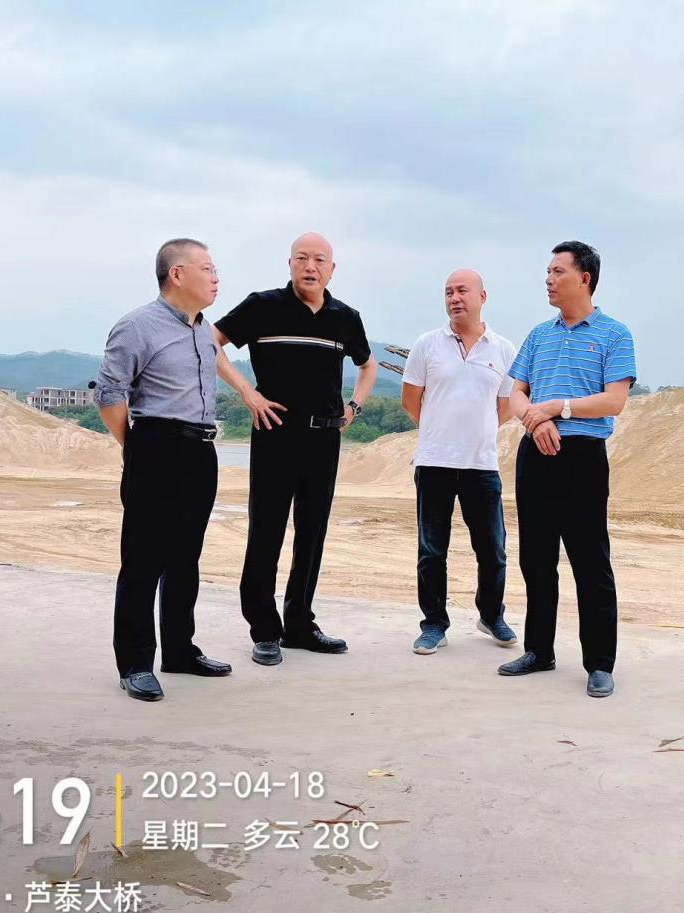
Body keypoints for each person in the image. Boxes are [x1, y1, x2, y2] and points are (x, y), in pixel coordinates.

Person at [212, 232, 378, 666]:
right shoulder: (263, 306)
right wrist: (247, 393)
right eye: (302, 258)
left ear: (332, 269)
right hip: (275, 434)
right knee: (265, 532)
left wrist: (355, 407)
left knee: (312, 533)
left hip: (324, 438)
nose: (310, 266)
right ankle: (264, 631)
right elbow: (210, 341)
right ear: (289, 264)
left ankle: (300, 624)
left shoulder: (345, 317)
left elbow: (368, 365)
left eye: (319, 260)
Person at [93, 238, 233, 702]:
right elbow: (109, 393)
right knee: (143, 560)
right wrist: (137, 448)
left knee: (185, 558)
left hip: (201, 450)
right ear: (177, 274)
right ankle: (135, 663)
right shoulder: (137, 326)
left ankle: (179, 650)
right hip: (155, 446)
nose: (216, 278)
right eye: (207, 268)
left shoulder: (203, 330)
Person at [500, 241, 636, 698]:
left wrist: (558, 408)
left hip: (582, 457)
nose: (549, 279)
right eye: (548, 271)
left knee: (590, 560)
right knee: (536, 558)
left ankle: (599, 663)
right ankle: (539, 650)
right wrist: (535, 420)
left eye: (558, 271)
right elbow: (516, 392)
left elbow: (614, 400)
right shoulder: (539, 334)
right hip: (535, 452)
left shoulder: (615, 334)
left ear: (585, 278)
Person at [400, 269, 519, 655]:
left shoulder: (503, 349)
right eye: (449, 292)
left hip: (482, 464)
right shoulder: (427, 345)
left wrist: (476, 431)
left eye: (462, 291)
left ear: (483, 296)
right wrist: (439, 431)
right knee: (432, 550)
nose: (454, 298)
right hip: (434, 461)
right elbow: (410, 400)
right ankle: (434, 623)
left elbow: (505, 406)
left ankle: (491, 614)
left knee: (493, 548)